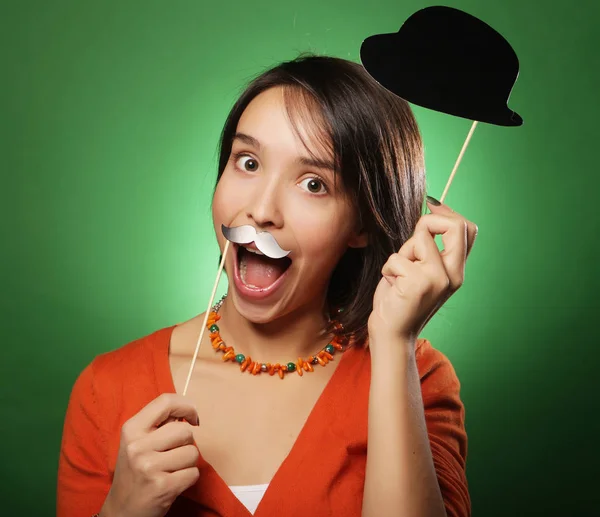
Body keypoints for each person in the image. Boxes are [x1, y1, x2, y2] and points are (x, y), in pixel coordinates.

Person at [57, 54, 478, 517]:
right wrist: (121, 510)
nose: (261, 209)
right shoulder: (108, 388)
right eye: (249, 161)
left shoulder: (416, 378)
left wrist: (394, 343)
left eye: (314, 183)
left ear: (361, 223)